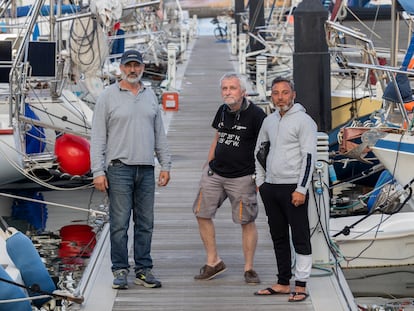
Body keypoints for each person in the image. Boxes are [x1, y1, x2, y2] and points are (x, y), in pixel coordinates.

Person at [90, 49, 171, 290]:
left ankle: (144, 269)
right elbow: (97, 138)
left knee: (146, 222)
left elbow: (159, 134)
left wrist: (165, 164)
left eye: (136, 66)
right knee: (119, 223)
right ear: (121, 69)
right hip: (119, 169)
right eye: (128, 66)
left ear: (143, 68)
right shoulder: (107, 96)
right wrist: (98, 171)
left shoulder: (150, 96)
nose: (132, 70)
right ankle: (120, 269)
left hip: (146, 169)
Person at [192, 72, 266, 284]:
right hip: (215, 173)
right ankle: (213, 261)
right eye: (224, 88)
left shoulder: (257, 115)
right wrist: (208, 163)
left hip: (243, 177)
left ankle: (249, 268)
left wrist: (261, 177)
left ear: (243, 91)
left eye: (232, 88)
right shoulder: (223, 110)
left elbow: (265, 146)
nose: (228, 92)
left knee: (246, 221)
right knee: (201, 213)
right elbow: (218, 136)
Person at [253, 77, 317, 302]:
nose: (280, 97)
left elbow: (309, 158)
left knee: (300, 236)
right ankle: (282, 282)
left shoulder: (304, 121)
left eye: (285, 92)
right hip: (271, 187)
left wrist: (301, 188)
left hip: (294, 188)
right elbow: (260, 151)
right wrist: (261, 182)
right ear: (272, 96)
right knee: (278, 237)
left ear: (293, 95)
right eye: (276, 93)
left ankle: (301, 285)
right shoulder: (269, 121)